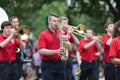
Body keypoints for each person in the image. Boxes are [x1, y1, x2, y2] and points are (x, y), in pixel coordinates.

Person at [38, 13, 68, 80]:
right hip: (48, 64)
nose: (56, 23)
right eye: (54, 21)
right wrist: (56, 51)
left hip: (60, 63)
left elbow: (68, 47)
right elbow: (42, 51)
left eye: (57, 21)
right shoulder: (43, 34)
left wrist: (66, 42)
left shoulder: (60, 33)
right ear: (49, 21)